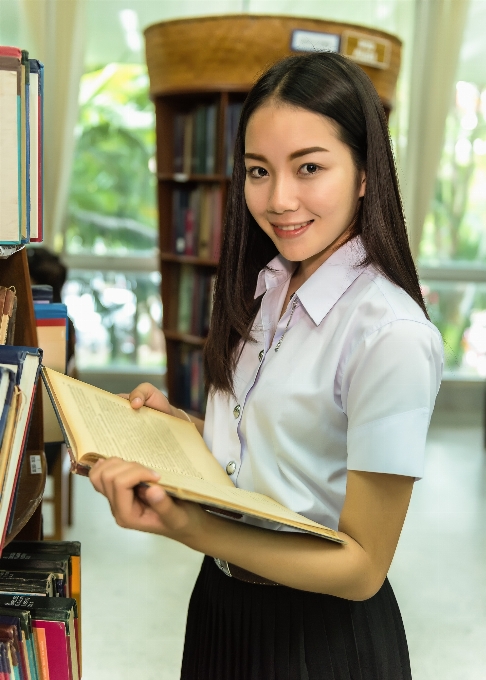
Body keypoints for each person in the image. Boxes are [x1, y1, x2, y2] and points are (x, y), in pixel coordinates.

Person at [90, 51, 443, 679]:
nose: (279, 199)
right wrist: (186, 433)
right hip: (222, 605)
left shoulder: (390, 333)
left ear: (366, 172)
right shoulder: (268, 286)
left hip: (318, 637)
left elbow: (363, 568)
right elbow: (274, 460)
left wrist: (190, 527)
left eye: (309, 167)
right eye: (258, 170)